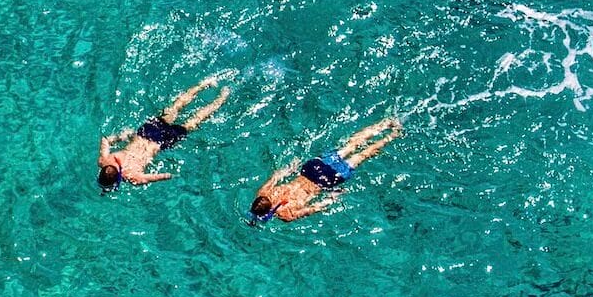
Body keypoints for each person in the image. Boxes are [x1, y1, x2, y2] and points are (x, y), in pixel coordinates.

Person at [248, 117, 402, 223]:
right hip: (311, 169)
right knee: (349, 146)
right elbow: (277, 175)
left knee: (361, 156)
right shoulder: (263, 192)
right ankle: (386, 123)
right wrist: (292, 167)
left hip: (324, 181)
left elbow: (314, 208)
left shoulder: (285, 214)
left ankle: (393, 135)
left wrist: (333, 198)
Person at [97, 75, 231, 190]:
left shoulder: (133, 177)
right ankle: (204, 84)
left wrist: (173, 175)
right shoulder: (104, 160)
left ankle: (222, 97)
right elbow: (105, 140)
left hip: (161, 143)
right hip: (146, 132)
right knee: (175, 107)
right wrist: (121, 136)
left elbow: (160, 176)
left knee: (193, 122)